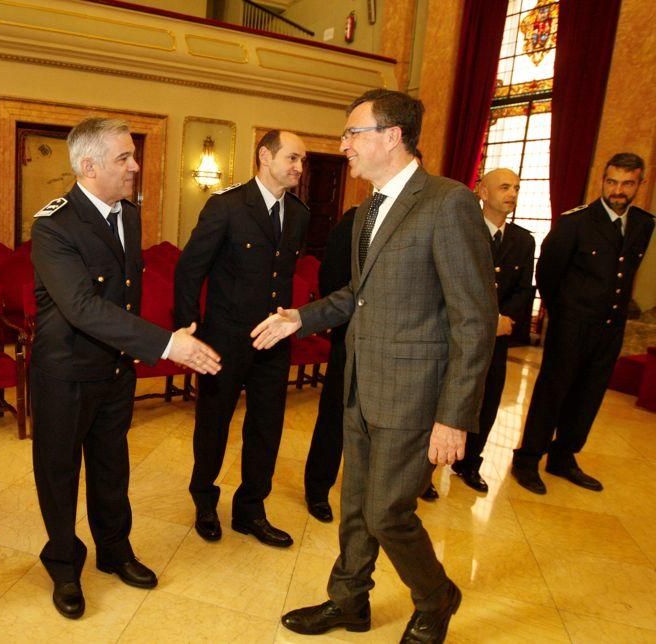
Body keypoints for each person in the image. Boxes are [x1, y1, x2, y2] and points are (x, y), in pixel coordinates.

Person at [251, 89, 497, 642]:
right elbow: (356, 295)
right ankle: (350, 602)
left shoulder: (447, 202)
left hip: (414, 396)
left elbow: (474, 320)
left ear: (391, 136)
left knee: (388, 513)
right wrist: (300, 317)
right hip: (361, 386)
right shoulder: (367, 212)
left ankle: (436, 597)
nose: (343, 146)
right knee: (357, 504)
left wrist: (455, 416)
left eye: (352, 133)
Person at [29, 117, 221, 620]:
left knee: (112, 467)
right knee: (59, 472)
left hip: (114, 369)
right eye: (123, 158)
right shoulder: (53, 224)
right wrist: (166, 344)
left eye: (133, 155)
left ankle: (116, 551)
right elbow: (83, 307)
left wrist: (142, 349)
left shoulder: (128, 215)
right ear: (88, 166)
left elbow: (125, 298)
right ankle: (65, 565)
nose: (135, 166)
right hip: (66, 371)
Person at [174, 130, 310, 548]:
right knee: (213, 424)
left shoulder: (300, 214)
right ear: (264, 156)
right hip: (224, 339)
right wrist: (187, 325)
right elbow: (189, 269)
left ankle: (251, 509)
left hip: (273, 340)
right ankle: (204, 499)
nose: (298, 168)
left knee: (266, 428)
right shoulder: (227, 207)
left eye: (302, 161)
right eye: (291, 158)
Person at [512, 153, 654, 494]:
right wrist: (563, 315)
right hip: (571, 324)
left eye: (626, 183)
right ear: (602, 181)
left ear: (639, 184)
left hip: (610, 327)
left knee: (589, 395)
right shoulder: (576, 222)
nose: (618, 190)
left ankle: (564, 457)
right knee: (553, 392)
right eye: (612, 182)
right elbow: (547, 273)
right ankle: (528, 459)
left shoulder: (643, 224)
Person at [448, 168, 536, 493]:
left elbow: (524, 289)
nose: (511, 193)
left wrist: (506, 317)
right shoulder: (461, 231)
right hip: (457, 335)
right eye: (503, 187)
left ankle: (469, 463)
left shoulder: (523, 241)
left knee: (487, 401)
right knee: (445, 400)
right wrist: (486, 319)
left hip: (496, 340)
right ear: (483, 193)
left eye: (515, 187)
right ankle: (426, 471)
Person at [303, 206, 355, 522]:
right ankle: (318, 489)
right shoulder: (353, 222)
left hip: (396, 346)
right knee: (334, 416)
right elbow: (331, 280)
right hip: (350, 335)